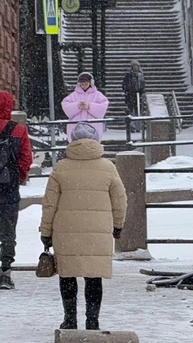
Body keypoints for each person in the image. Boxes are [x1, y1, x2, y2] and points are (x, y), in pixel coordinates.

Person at [39, 122, 127, 330]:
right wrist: (118, 226)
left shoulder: (61, 167)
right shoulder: (108, 167)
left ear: (72, 141)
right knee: (94, 277)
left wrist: (46, 232)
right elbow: (120, 200)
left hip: (66, 231)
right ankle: (92, 320)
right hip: (98, 232)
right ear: (96, 141)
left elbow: (49, 203)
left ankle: (70, 319)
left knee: (67, 274)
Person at [0, 90, 33, 290]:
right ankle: (5, 271)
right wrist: (16, 177)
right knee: (8, 230)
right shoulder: (18, 130)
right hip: (9, 188)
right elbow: (26, 158)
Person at [61, 73, 109, 141]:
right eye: (82, 84)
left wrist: (90, 106)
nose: (84, 86)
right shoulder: (73, 95)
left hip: (93, 128)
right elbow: (65, 105)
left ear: (91, 83)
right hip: (76, 128)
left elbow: (103, 108)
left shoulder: (98, 95)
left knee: (91, 147)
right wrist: (77, 106)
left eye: (86, 84)